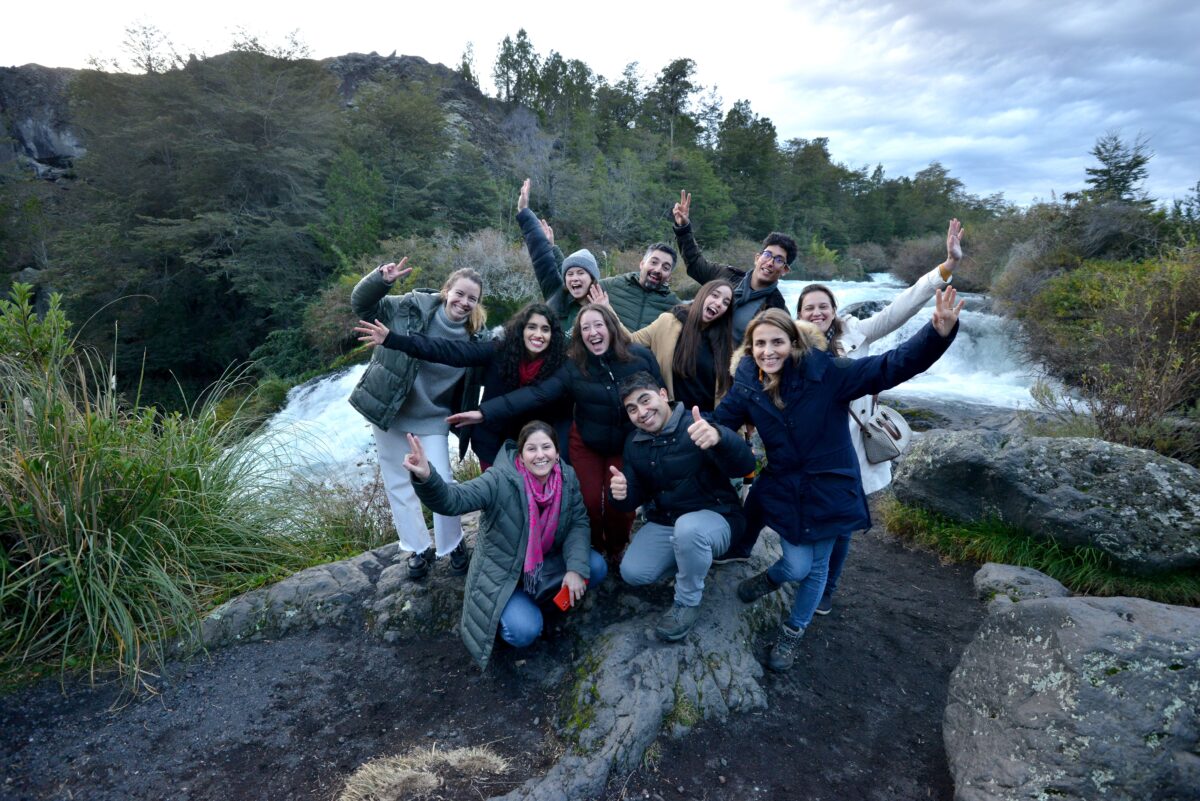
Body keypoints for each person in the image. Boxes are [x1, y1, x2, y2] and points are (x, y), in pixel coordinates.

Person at [712, 296, 962, 672]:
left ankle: (793, 631)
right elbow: (721, 421)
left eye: (776, 342)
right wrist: (685, 428)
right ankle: (773, 578)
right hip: (785, 487)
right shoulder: (749, 383)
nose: (768, 351)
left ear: (794, 343)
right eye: (759, 344)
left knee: (817, 568)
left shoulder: (827, 373)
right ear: (750, 349)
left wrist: (936, 334)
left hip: (830, 487)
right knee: (796, 566)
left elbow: (888, 366)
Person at [794, 218, 963, 615]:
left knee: (846, 521)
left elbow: (900, 307)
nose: (817, 312)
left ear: (834, 311)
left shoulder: (857, 332)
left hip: (852, 442)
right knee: (816, 515)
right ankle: (810, 578)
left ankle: (828, 587)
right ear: (798, 313)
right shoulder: (791, 346)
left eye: (823, 306)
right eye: (809, 307)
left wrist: (945, 269)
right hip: (814, 446)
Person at [448, 304, 664, 561]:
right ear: (579, 335)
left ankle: (616, 549)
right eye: (585, 328)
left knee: (621, 501)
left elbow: (661, 397)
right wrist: (485, 412)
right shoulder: (575, 367)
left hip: (626, 444)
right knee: (588, 501)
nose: (593, 332)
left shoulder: (639, 357)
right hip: (588, 442)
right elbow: (537, 394)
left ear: (611, 327)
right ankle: (593, 547)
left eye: (599, 325)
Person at [406, 421, 608, 670]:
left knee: (596, 567)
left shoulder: (566, 477)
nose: (540, 455)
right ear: (521, 456)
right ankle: (511, 617)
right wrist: (426, 476)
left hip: (545, 563)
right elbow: (453, 501)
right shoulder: (499, 480)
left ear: (557, 452)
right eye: (532, 449)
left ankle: (542, 602)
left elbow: (578, 522)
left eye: (547, 447)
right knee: (524, 632)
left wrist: (576, 569)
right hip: (506, 575)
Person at [349, 258, 487, 580]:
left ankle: (452, 544)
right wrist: (380, 281)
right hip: (391, 410)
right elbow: (362, 306)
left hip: (434, 418)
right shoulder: (411, 306)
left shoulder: (474, 340)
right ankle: (417, 547)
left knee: (442, 479)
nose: (464, 302)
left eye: (472, 298)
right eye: (460, 294)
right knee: (399, 483)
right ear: (446, 290)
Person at [609, 372, 755, 642]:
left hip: (718, 517)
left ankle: (687, 602)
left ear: (663, 395)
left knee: (689, 531)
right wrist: (621, 494)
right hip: (668, 521)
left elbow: (745, 465)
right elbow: (635, 495)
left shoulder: (698, 425)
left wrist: (720, 437)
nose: (642, 412)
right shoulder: (634, 443)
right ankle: (694, 560)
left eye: (645, 400)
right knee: (633, 572)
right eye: (632, 409)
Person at [354, 302, 571, 470]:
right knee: (501, 500)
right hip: (492, 443)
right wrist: (394, 339)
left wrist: (483, 412)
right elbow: (451, 351)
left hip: (534, 445)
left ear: (553, 335)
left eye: (545, 329)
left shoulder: (559, 366)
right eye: (531, 327)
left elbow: (535, 396)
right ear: (521, 329)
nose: (538, 335)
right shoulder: (500, 350)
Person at [517, 178, 681, 331]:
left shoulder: (674, 305)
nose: (658, 269)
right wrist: (525, 214)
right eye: (653, 262)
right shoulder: (613, 286)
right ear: (642, 263)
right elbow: (548, 263)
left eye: (665, 267)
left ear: (670, 275)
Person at [671, 190, 794, 343]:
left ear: (785, 270)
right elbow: (695, 264)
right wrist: (683, 228)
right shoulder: (727, 276)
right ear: (757, 258)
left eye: (779, 260)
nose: (770, 262)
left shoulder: (777, 309)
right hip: (693, 348)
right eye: (767, 255)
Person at [620, 278, 736, 413]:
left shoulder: (725, 344)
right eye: (715, 295)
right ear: (702, 294)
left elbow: (731, 391)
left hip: (708, 423)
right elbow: (631, 340)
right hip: (673, 417)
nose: (718, 303)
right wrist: (606, 309)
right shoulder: (668, 322)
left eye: (725, 302)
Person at [517, 178, 601, 332]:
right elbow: (540, 255)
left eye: (580, 273)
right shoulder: (557, 294)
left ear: (592, 278)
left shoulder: (604, 306)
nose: (574, 278)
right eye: (570, 274)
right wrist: (524, 211)